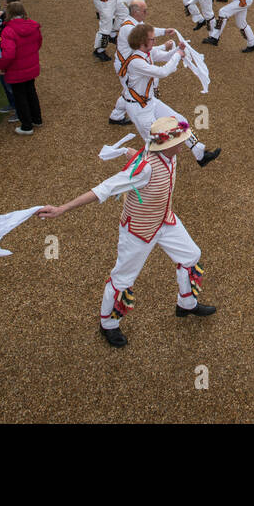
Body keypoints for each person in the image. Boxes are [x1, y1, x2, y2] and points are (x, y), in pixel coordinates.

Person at [35, 116, 217, 349]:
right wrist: (62, 209)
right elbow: (105, 188)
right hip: (138, 230)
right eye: (179, 140)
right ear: (165, 145)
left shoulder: (167, 155)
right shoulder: (144, 169)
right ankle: (107, 325)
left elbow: (146, 153)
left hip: (165, 219)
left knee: (191, 255)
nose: (183, 144)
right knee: (123, 278)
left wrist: (135, 154)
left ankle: (187, 303)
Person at [114, 23, 220, 166]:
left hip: (149, 101)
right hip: (138, 108)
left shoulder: (147, 53)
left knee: (180, 120)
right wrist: (177, 55)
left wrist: (179, 49)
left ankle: (200, 153)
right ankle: (157, 174)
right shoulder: (136, 62)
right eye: (152, 39)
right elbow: (162, 72)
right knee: (157, 142)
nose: (155, 41)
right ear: (142, 42)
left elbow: (166, 56)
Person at [0, 1, 43, 136]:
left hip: (15, 68)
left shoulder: (8, 30)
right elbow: (38, 42)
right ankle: (37, 119)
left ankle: (26, 125)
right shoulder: (33, 26)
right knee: (31, 91)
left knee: (20, 96)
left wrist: (1, 67)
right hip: (30, 65)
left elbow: (9, 54)